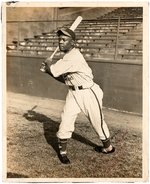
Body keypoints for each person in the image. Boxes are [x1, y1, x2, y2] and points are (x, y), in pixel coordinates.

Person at [41, 27, 115, 164]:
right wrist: (48, 70)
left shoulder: (73, 57)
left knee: (97, 122)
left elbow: (54, 70)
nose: (61, 42)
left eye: (64, 40)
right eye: (59, 40)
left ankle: (108, 147)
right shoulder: (67, 58)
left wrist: (48, 67)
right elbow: (63, 79)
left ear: (73, 43)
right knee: (65, 120)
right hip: (73, 92)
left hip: (89, 92)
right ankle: (62, 153)